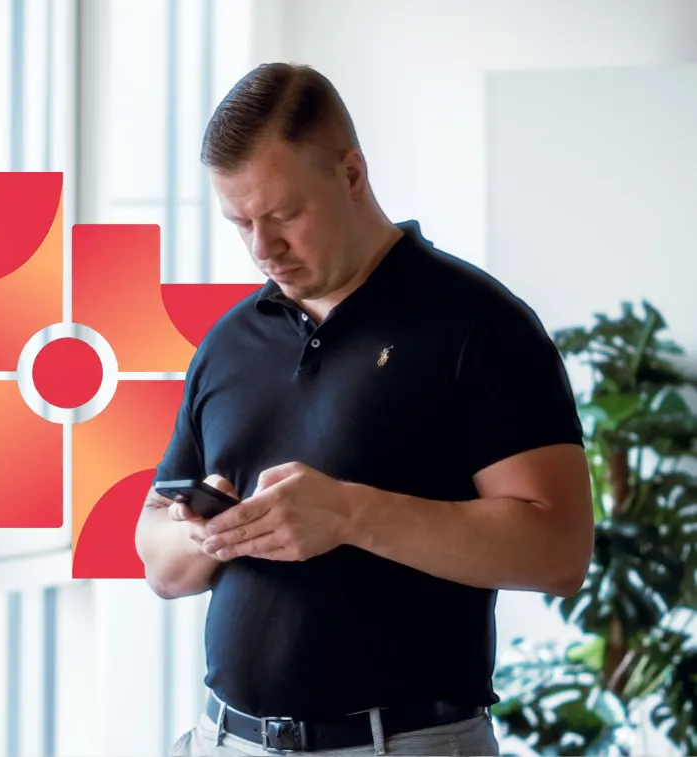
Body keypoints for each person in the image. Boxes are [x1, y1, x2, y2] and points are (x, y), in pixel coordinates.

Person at [134, 62, 594, 756]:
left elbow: (560, 551)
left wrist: (349, 514)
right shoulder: (229, 341)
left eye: (284, 215)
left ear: (352, 174)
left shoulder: (479, 324)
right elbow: (157, 556)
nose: (264, 249)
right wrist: (204, 538)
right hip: (223, 737)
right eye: (241, 223)